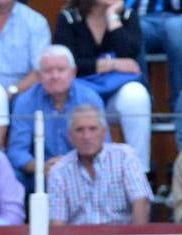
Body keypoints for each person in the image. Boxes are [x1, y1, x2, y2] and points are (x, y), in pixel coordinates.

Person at [52, 0, 151, 172]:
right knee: (75, 94)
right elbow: (68, 62)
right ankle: (80, 171)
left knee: (136, 95)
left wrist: (112, 16)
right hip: (81, 93)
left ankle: (140, 172)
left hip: (115, 91)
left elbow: (129, 54)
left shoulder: (127, 16)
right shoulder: (69, 18)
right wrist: (113, 64)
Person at [6, 44, 105, 186]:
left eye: (61, 70)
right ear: (39, 76)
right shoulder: (25, 101)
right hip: (39, 172)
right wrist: (42, 167)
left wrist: (69, 165)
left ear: (73, 72)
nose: (55, 76)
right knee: (13, 177)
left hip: (81, 169)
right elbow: (17, 152)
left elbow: (101, 146)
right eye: (48, 71)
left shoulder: (90, 98)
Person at [46, 103, 151, 225]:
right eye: (79, 130)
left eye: (93, 129)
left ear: (104, 133)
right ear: (70, 136)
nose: (86, 136)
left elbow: (141, 201)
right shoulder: (59, 171)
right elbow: (58, 224)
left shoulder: (125, 157)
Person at [129, 0, 182, 104]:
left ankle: (180, 104)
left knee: (174, 27)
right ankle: (143, 102)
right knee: (134, 28)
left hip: (180, 19)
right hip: (144, 20)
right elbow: (126, 7)